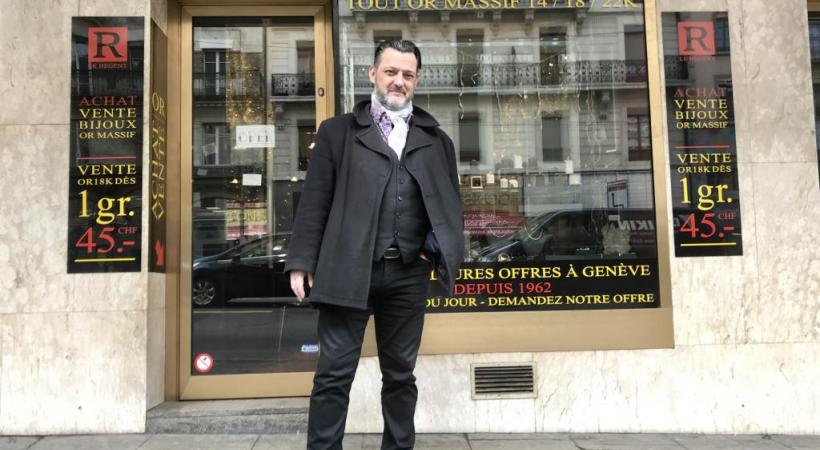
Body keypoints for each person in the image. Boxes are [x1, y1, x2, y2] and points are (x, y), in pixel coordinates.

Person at [284, 39, 464, 450]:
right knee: (333, 374)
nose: (399, 81)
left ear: (416, 80)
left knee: (400, 377)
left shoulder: (438, 141)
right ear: (372, 74)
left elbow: (450, 205)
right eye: (391, 72)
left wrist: (430, 252)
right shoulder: (337, 133)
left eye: (407, 74)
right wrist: (301, 260)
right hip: (346, 269)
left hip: (407, 274)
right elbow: (315, 200)